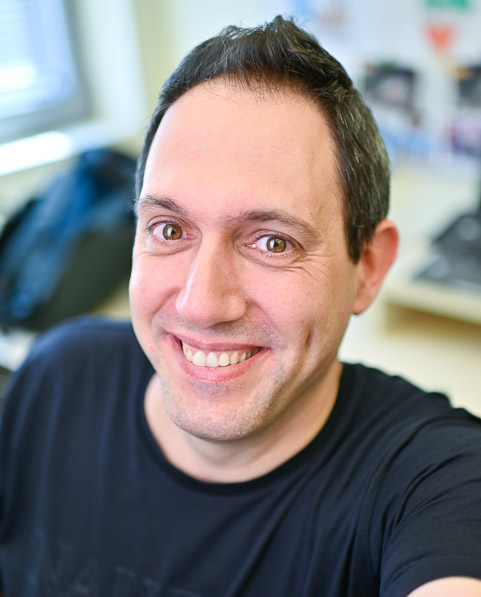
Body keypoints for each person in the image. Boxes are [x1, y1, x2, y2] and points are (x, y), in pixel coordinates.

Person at [1, 15, 480, 597]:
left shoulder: (437, 481)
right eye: (169, 229)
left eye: (273, 242)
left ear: (369, 268)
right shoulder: (60, 374)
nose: (202, 304)